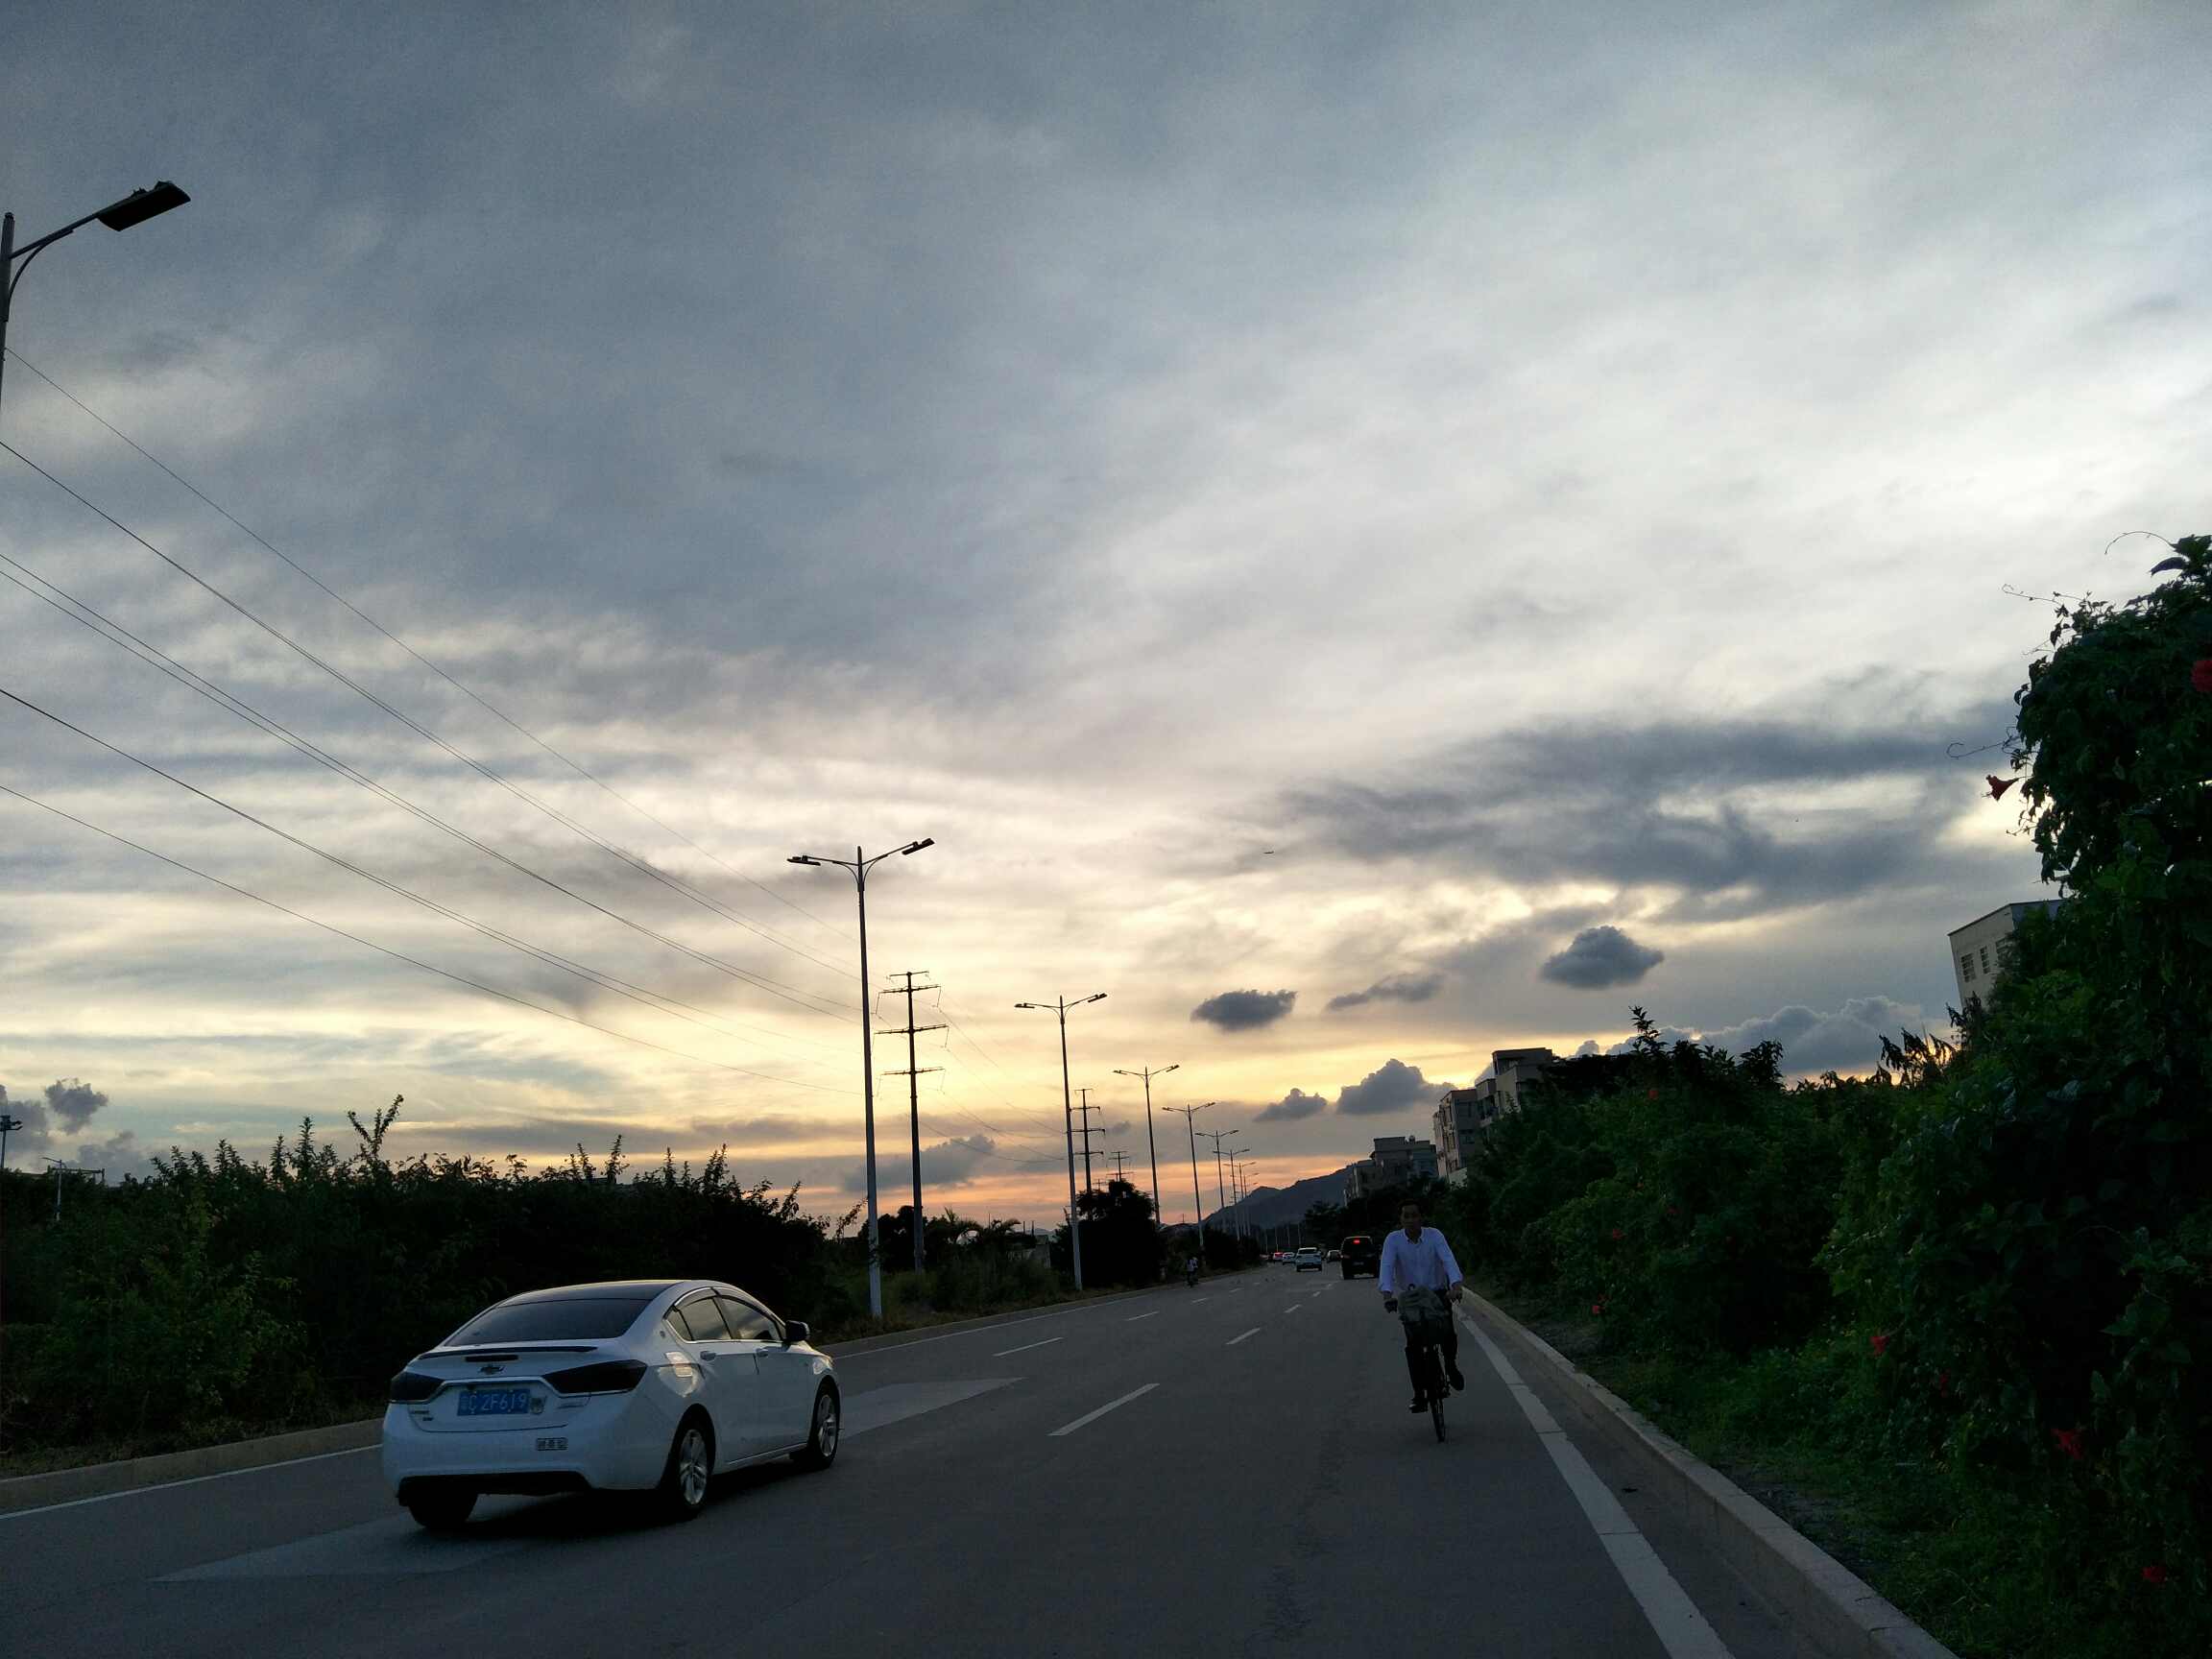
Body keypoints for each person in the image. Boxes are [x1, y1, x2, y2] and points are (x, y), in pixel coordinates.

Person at [1379, 1198, 1466, 1412]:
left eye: (1414, 1215)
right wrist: (1387, 1295)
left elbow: (1448, 1260)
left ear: (1421, 1218)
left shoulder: (1434, 1236)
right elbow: (1387, 1266)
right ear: (1400, 1219)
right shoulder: (1393, 1240)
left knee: (1446, 1332)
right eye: (1406, 1216)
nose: (1410, 1220)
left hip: (1436, 1293)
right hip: (1410, 1298)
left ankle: (1451, 1364)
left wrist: (1455, 1286)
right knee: (1413, 1346)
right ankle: (1419, 1394)